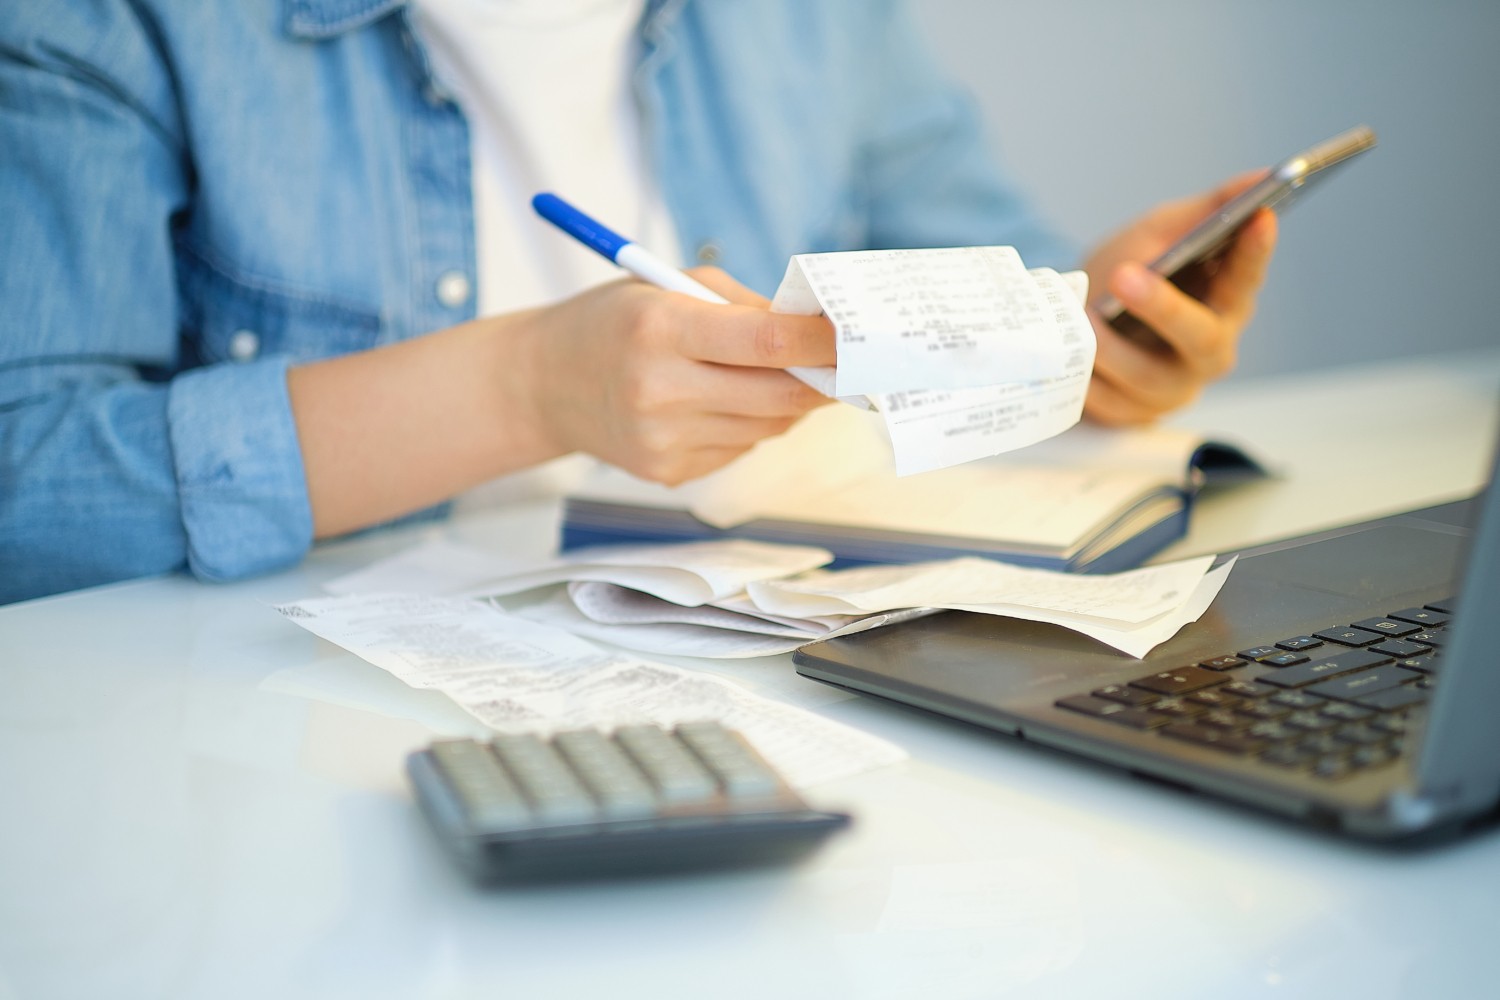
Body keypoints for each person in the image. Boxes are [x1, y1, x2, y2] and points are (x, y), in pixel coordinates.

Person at [0, 0, 1276, 605]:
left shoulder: (817, 23)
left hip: (780, 679)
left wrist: (1086, 335)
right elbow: (27, 483)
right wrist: (531, 388)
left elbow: (980, 263)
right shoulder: (114, 22)